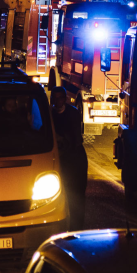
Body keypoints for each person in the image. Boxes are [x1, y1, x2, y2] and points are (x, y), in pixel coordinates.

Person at [51, 87, 88, 230]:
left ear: (65, 99)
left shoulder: (73, 113)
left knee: (77, 194)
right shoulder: (50, 114)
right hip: (60, 158)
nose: (58, 101)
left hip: (74, 159)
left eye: (61, 98)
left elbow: (75, 138)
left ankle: (76, 228)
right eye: (56, 98)